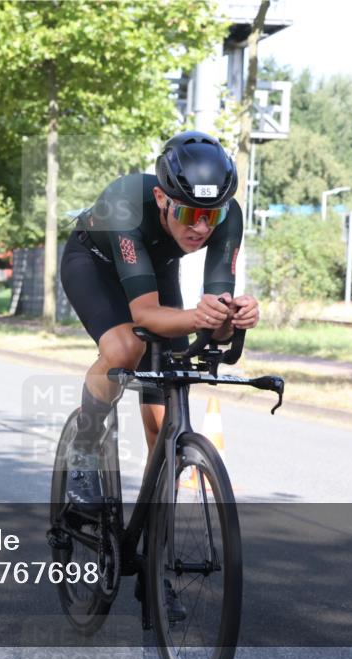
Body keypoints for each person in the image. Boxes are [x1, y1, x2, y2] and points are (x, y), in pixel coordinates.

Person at [60, 131, 261, 511]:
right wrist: (198, 317)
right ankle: (83, 451)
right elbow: (145, 315)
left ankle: (153, 536)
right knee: (125, 347)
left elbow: (215, 325)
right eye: (188, 213)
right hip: (93, 264)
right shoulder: (126, 202)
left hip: (155, 268)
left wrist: (233, 317)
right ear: (160, 198)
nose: (201, 228)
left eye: (211, 216)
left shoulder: (228, 215)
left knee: (166, 414)